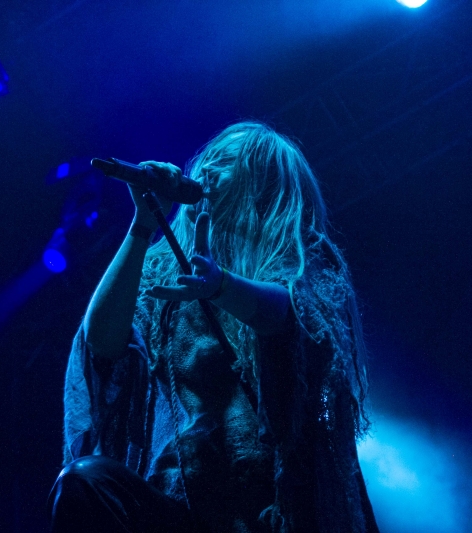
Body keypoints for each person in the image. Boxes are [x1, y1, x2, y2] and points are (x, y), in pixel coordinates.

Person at [48, 122, 379, 533]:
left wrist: (221, 285)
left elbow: (295, 318)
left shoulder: (303, 257)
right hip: (177, 505)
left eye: (225, 162)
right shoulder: (160, 271)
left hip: (272, 508)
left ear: (263, 187)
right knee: (85, 483)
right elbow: (102, 343)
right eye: (208, 159)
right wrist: (143, 224)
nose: (206, 170)